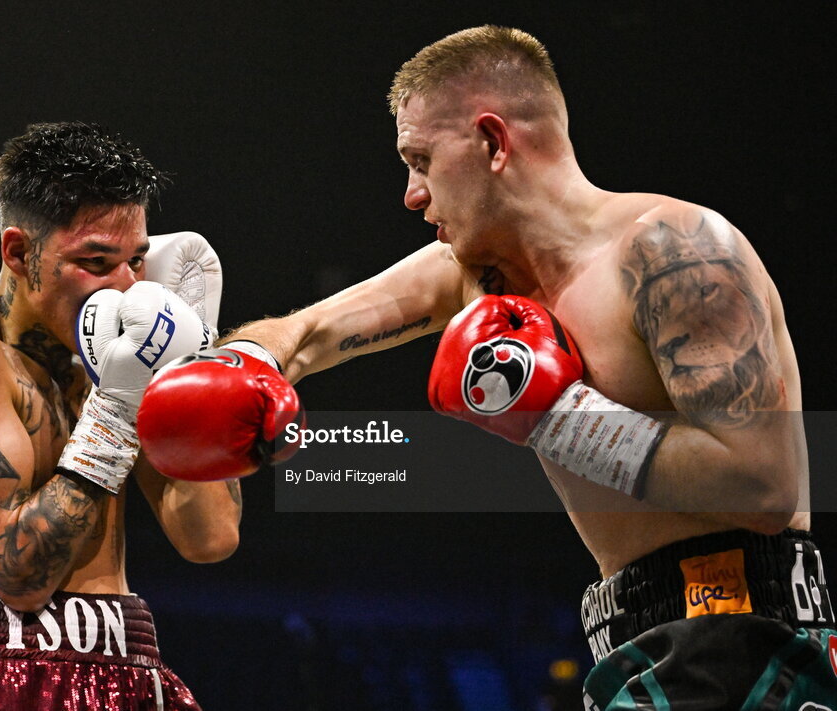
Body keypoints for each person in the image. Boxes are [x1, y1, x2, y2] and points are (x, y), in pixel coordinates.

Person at [139, 27, 837, 709]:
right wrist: (243, 362)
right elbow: (312, 330)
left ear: (493, 142)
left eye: (420, 160)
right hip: (634, 633)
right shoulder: (482, 277)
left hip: (742, 631)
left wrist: (558, 418)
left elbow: (764, 486)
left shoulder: (675, 253)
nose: (412, 194)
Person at [0, 121, 240, 710]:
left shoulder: (112, 354)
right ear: (20, 252)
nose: (125, 286)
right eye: (96, 261)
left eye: (136, 260)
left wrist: (188, 371)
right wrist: (116, 410)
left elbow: (210, 539)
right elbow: (21, 579)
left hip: (130, 665)